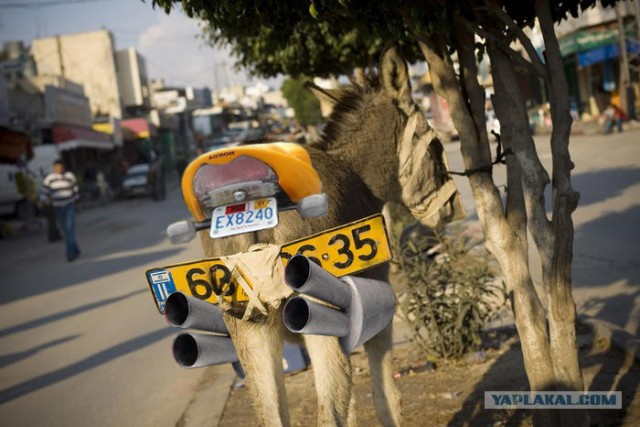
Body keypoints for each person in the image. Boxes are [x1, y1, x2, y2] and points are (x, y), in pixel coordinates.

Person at [43, 160, 81, 261]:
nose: (59, 168)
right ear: (54, 168)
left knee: (70, 228)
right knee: (65, 230)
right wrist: (50, 199)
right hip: (58, 207)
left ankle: (70, 254)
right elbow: (45, 192)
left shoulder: (70, 176)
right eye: (57, 167)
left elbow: (76, 191)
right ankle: (75, 250)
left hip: (70, 205)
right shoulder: (49, 179)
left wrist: (78, 204)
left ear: (63, 167)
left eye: (60, 166)